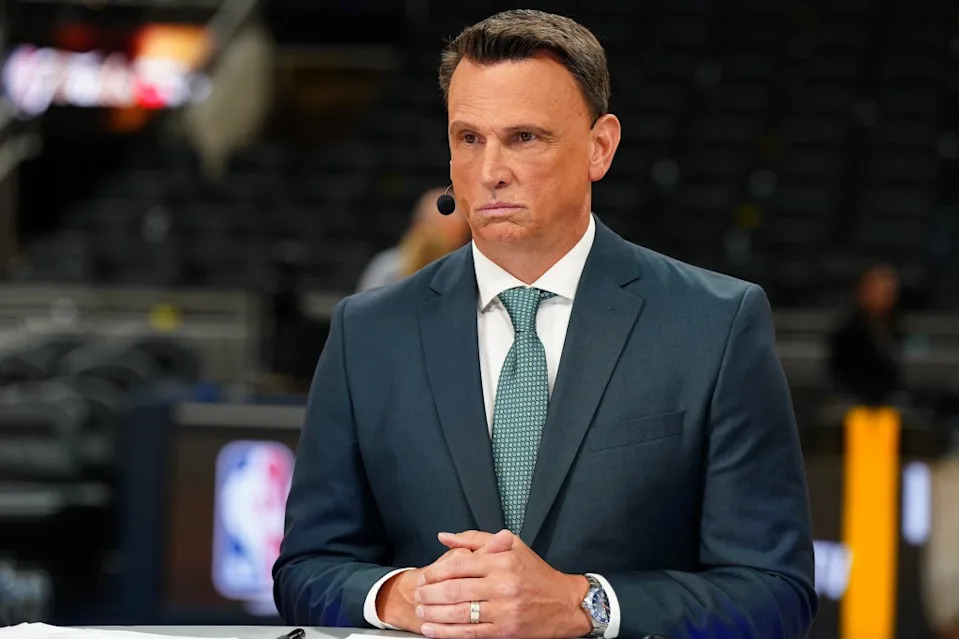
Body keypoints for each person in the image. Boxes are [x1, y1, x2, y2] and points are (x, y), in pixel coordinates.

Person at [274, 10, 816, 639]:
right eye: (468, 138)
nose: (489, 170)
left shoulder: (717, 324)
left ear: (600, 146)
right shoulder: (367, 332)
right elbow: (306, 568)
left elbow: (775, 592)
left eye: (525, 137)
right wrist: (401, 595)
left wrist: (585, 605)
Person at [357, 187, 471, 291]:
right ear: (418, 227)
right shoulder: (389, 270)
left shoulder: (467, 274)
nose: (451, 248)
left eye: (457, 241)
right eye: (444, 238)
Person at [828, 263, 903, 405]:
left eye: (889, 292)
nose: (886, 298)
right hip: (853, 404)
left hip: (888, 404)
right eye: (880, 291)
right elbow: (839, 376)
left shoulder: (896, 329)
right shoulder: (846, 333)